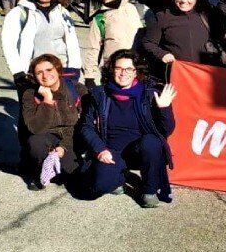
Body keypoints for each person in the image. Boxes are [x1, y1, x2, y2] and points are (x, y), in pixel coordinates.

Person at [76, 50, 177, 208]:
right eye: (118, 68)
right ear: (112, 70)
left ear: (136, 71)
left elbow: (166, 130)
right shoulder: (99, 94)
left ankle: (149, 190)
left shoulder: (149, 94)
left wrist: (164, 109)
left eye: (129, 69)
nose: (123, 73)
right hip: (110, 151)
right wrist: (99, 149)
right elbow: (86, 126)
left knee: (152, 142)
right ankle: (119, 175)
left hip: (139, 150)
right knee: (98, 187)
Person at [20, 54, 88, 190]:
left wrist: (64, 146)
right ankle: (39, 169)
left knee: (73, 177)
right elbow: (35, 128)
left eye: (49, 70)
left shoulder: (76, 89)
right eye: (39, 72)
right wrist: (47, 101)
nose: (45, 76)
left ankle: (66, 164)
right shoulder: (29, 94)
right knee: (35, 142)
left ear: (58, 70)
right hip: (47, 137)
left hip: (73, 138)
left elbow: (86, 123)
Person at [1, 0, 83, 81]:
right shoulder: (19, 13)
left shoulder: (62, 12)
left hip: (62, 70)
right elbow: (8, 44)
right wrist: (17, 72)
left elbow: (72, 42)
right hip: (34, 72)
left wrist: (75, 67)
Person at [141, 0, 226, 71]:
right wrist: (162, 54)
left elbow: (222, 34)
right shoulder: (162, 16)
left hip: (206, 72)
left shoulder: (206, 14)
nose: (184, 0)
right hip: (177, 72)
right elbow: (148, 43)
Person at [84, 0, 143, 88]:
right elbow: (93, 48)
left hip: (135, 69)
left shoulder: (133, 9)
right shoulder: (100, 17)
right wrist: (89, 76)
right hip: (113, 70)